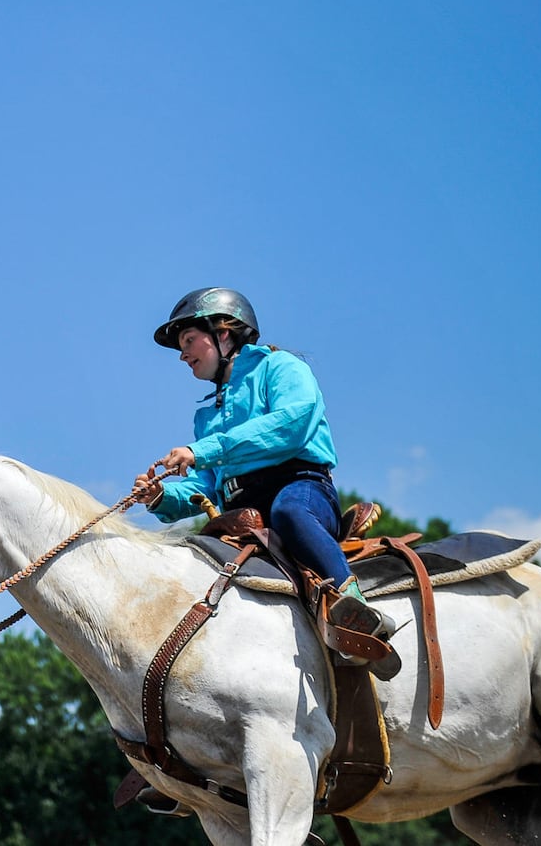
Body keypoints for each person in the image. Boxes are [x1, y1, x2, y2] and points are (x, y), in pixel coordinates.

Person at [133, 287, 397, 675]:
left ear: (224, 333)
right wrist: (160, 496)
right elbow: (206, 487)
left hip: (302, 490)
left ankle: (352, 605)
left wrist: (203, 450)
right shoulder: (205, 417)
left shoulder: (282, 368)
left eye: (189, 341)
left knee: (289, 511)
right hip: (243, 514)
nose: (183, 354)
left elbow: (293, 422)